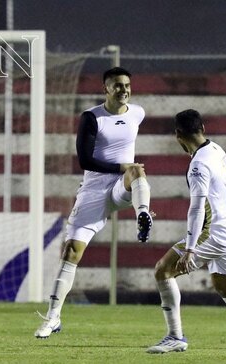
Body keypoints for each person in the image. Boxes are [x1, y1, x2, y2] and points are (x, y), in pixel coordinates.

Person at [35, 66, 153, 338]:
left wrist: (127, 168)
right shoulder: (91, 117)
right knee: (71, 252)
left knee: (138, 170)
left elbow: (129, 166)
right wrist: (121, 166)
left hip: (122, 186)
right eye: (117, 85)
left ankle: (143, 215)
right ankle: (53, 318)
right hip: (94, 188)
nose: (123, 90)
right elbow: (85, 160)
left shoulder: (138, 113)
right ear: (106, 89)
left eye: (126, 85)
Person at [145, 109, 226, 355]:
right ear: (203, 128)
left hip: (214, 232)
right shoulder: (217, 150)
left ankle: (175, 336)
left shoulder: (198, 164)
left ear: (178, 135)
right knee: (225, 286)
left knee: (163, 270)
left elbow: (197, 207)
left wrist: (190, 248)